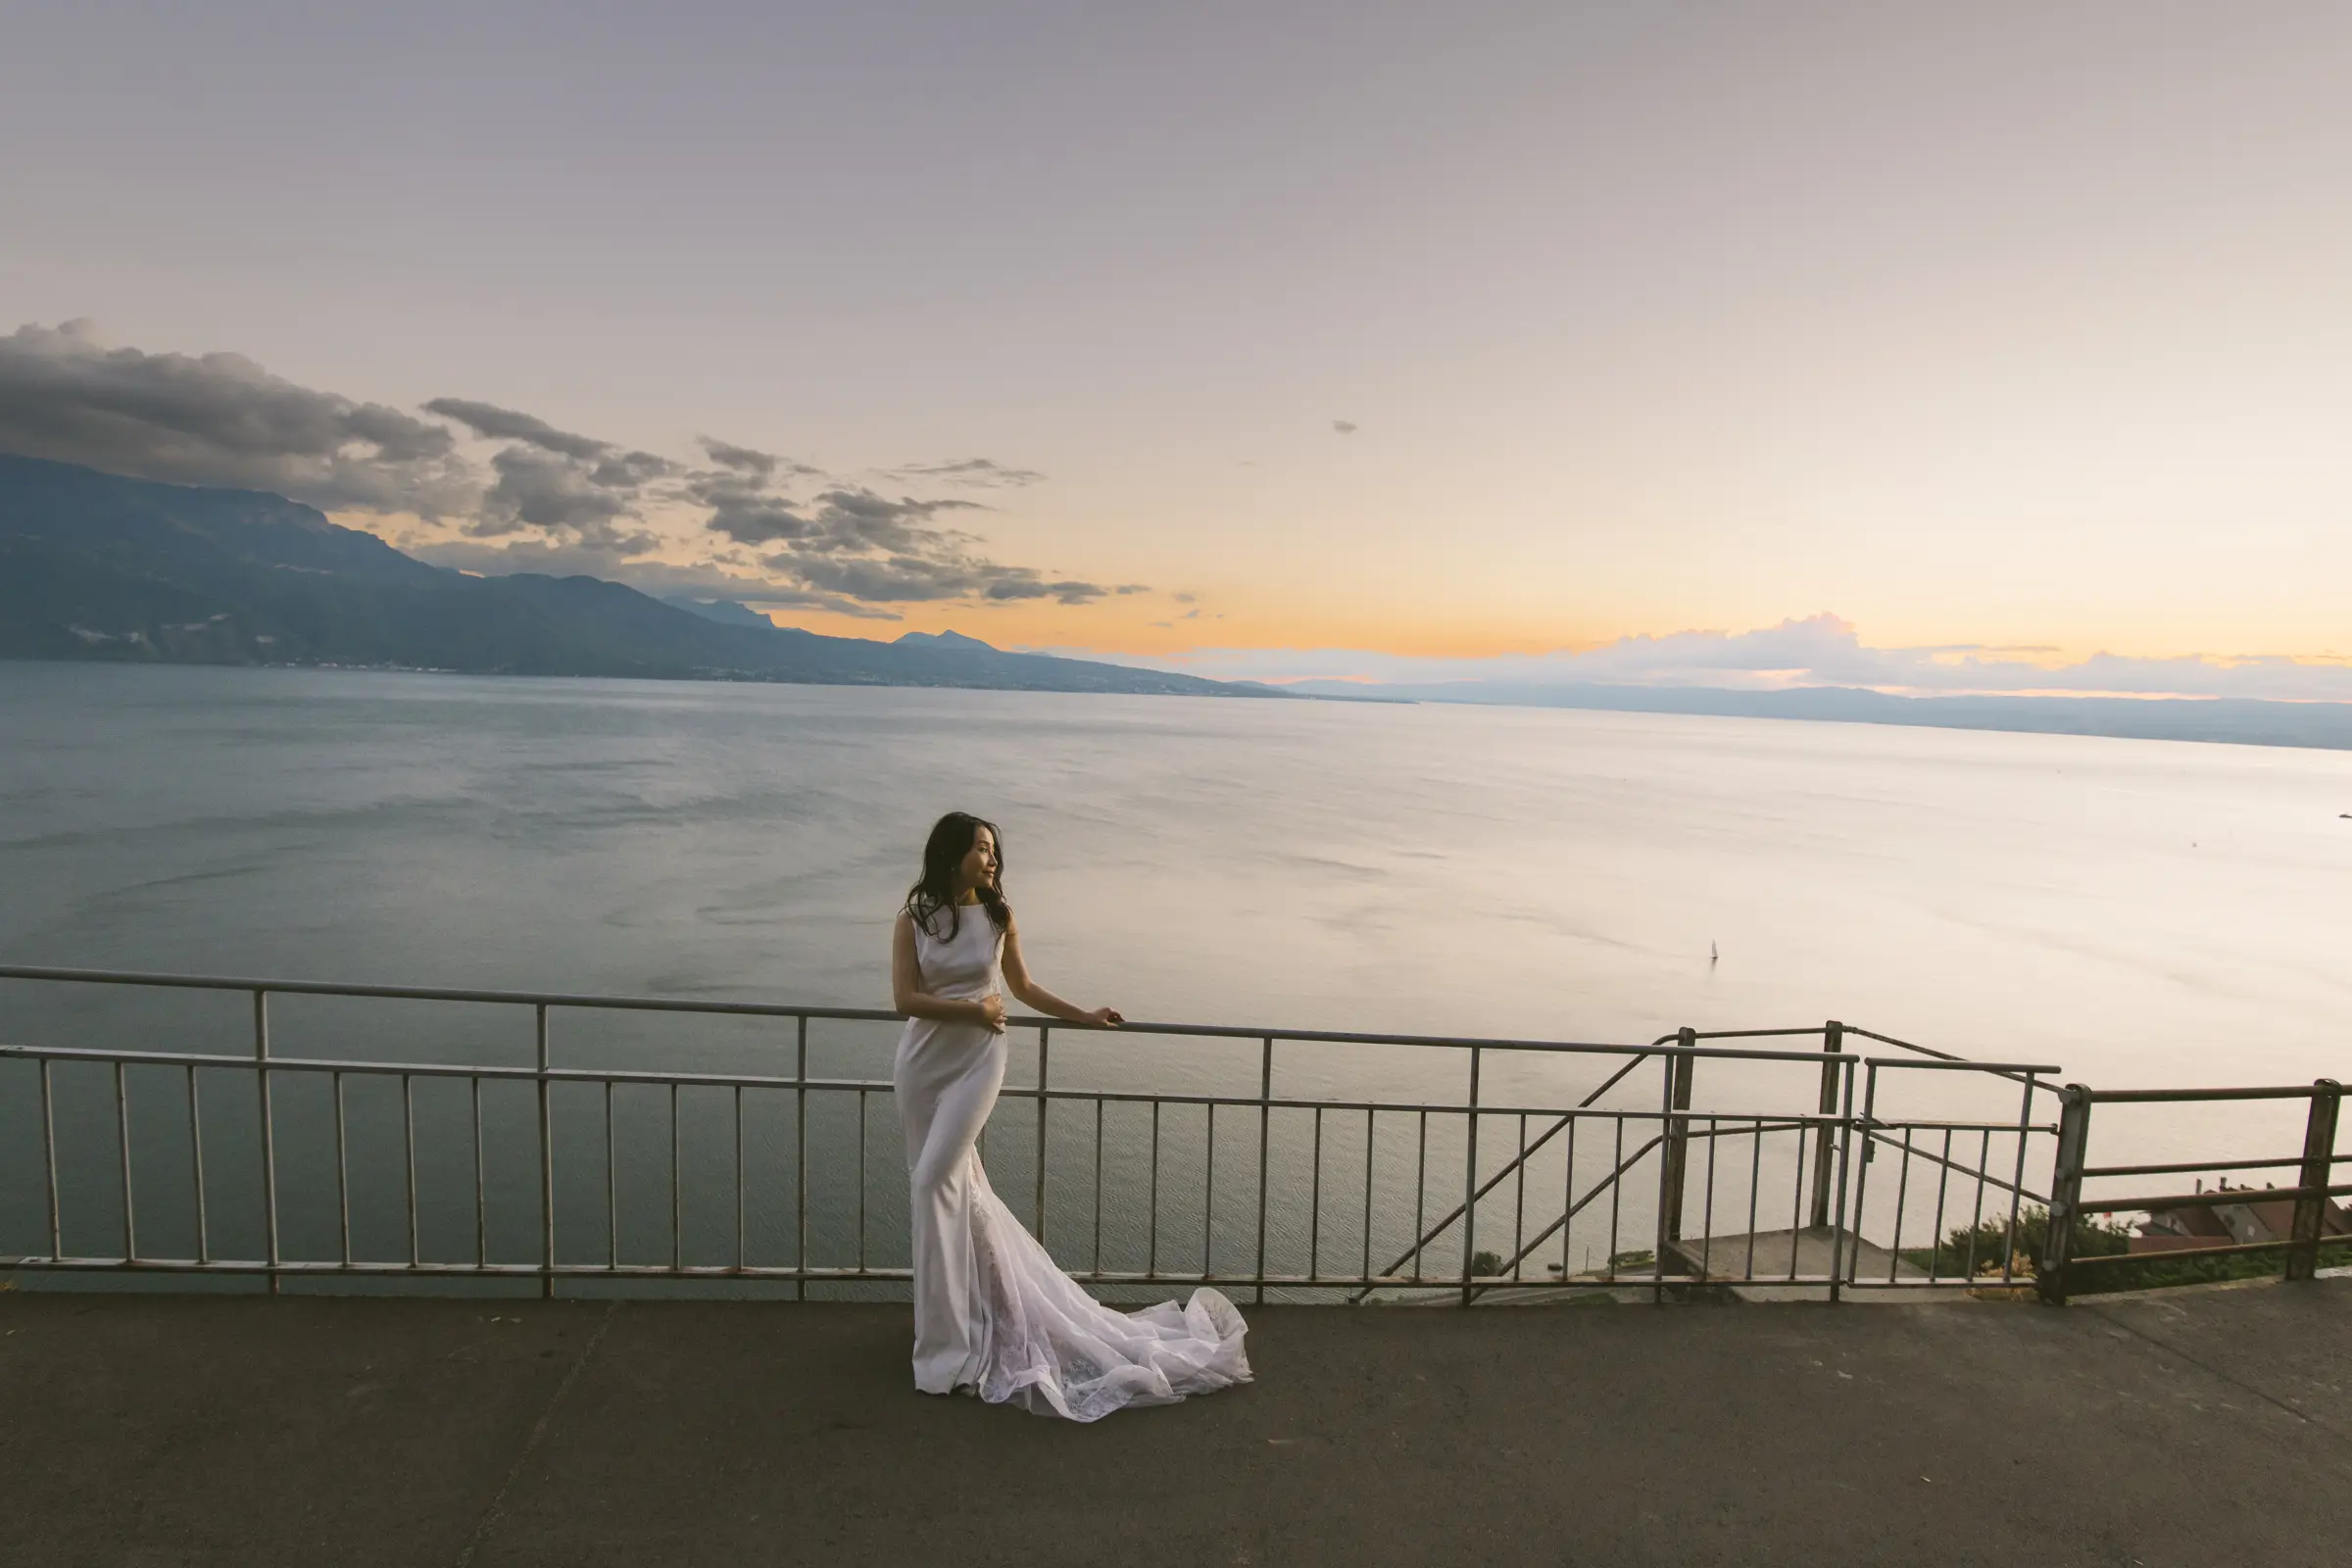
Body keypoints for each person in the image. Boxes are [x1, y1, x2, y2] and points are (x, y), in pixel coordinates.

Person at [890, 809, 1250, 1420]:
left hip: (977, 1063)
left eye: (994, 849)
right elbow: (906, 999)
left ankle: (950, 1350)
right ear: (951, 854)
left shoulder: (998, 916)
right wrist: (975, 1009)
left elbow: (1023, 988)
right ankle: (957, 1332)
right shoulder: (915, 918)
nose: (992, 858)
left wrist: (1084, 1015)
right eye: (981, 848)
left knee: (933, 1182)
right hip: (923, 1067)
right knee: (944, 1193)